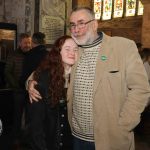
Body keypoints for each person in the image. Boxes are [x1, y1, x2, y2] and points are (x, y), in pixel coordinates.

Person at [27, 7, 150, 150]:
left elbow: (141, 88)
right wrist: (30, 82)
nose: (76, 29)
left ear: (95, 24)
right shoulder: (75, 50)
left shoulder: (122, 47)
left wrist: (125, 124)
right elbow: (47, 68)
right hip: (75, 137)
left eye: (81, 23)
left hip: (111, 138)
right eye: (72, 25)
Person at [28, 35, 78, 150]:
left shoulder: (80, 76)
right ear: (58, 52)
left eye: (76, 49)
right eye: (67, 49)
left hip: (72, 142)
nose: (72, 52)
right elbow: (36, 125)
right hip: (52, 142)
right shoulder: (45, 78)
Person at [4, 33, 31, 144]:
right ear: (20, 43)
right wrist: (16, 85)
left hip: (30, 91)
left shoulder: (32, 55)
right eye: (25, 43)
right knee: (17, 115)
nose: (28, 45)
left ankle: (28, 138)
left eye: (29, 42)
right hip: (18, 91)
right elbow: (7, 72)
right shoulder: (13, 55)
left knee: (30, 115)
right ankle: (16, 138)